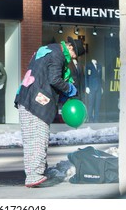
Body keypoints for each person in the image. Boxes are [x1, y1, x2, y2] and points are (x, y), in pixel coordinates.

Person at [14, 36, 85, 188]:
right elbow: (54, 79)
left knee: (30, 139)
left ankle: (35, 173)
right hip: (37, 102)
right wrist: (69, 88)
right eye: (74, 55)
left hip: (25, 98)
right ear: (70, 48)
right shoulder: (57, 54)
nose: (73, 59)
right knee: (39, 137)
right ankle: (34, 175)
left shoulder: (48, 50)